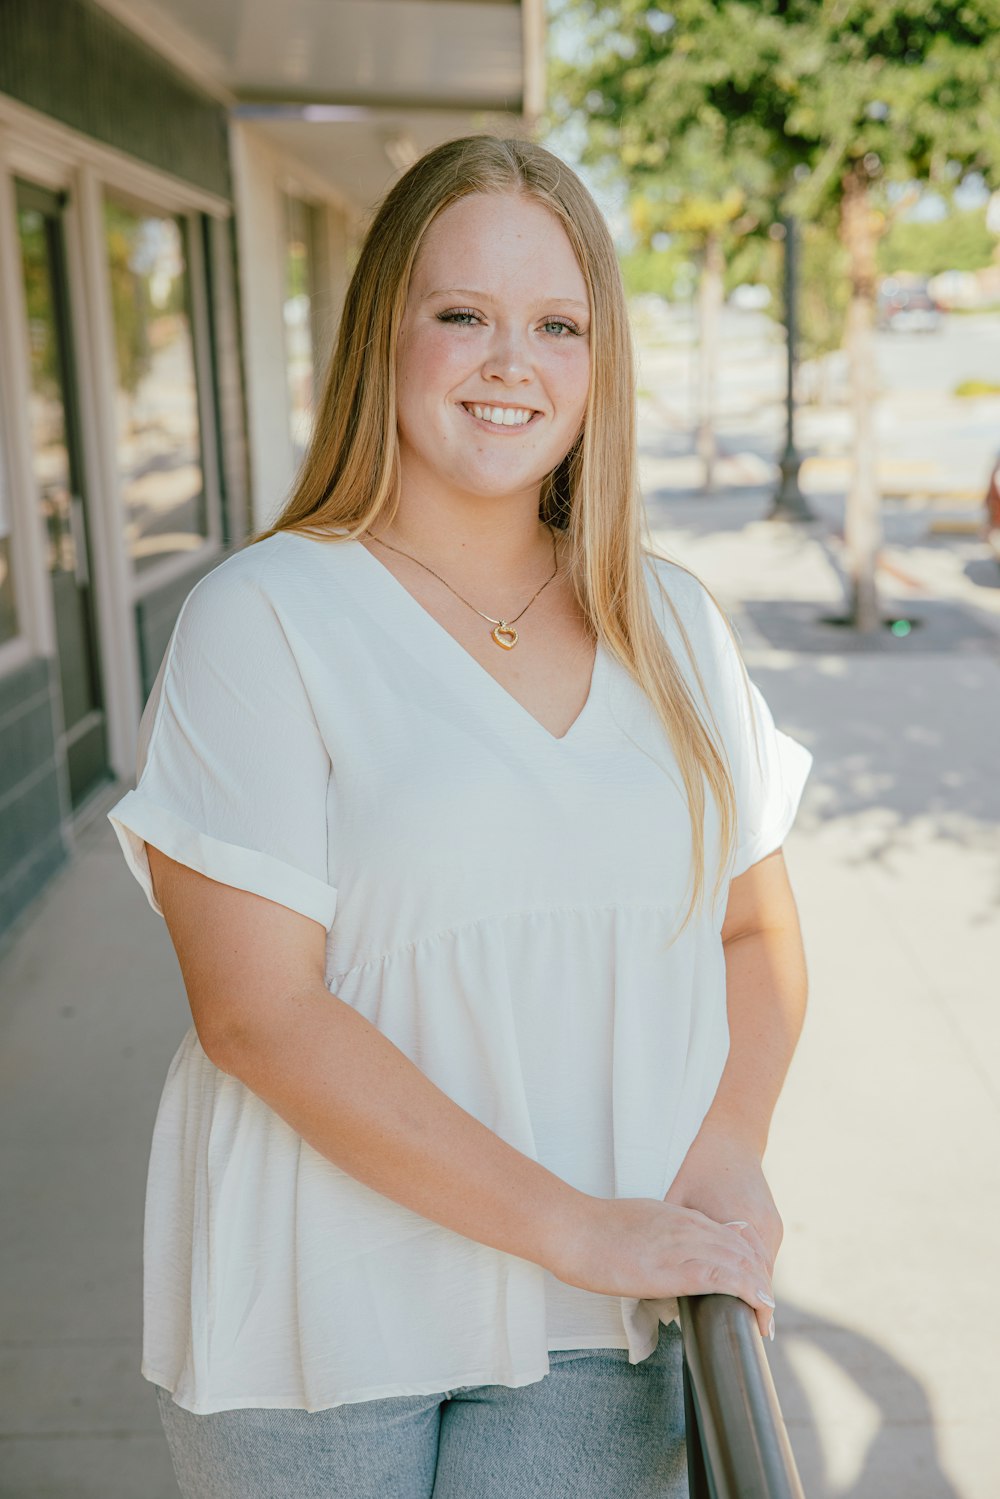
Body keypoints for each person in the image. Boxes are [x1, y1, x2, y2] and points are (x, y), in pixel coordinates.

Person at [106, 134, 812, 1499]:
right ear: (387, 333)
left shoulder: (671, 624)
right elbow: (258, 1012)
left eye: (559, 323)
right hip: (319, 1305)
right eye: (463, 316)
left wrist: (723, 1158)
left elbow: (756, 932)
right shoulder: (263, 618)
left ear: (599, 362)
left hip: (601, 1314)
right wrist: (576, 1229)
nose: (513, 361)